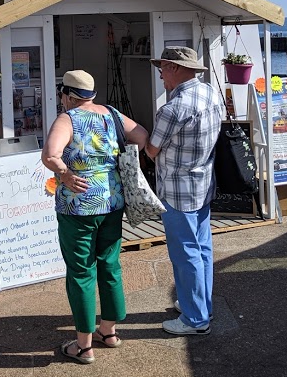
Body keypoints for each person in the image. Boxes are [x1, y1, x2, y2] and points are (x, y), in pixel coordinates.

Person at [41, 70, 148, 364]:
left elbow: (51, 155)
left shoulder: (68, 119)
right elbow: (141, 136)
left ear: (67, 96)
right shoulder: (111, 114)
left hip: (79, 206)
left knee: (81, 271)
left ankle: (84, 346)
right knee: (110, 264)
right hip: (112, 201)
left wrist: (65, 173)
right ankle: (109, 331)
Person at [145, 47, 224, 336]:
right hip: (203, 183)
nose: (161, 75)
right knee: (202, 248)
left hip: (178, 190)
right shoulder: (211, 94)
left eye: (162, 69)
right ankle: (201, 306)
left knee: (185, 253)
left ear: (175, 68)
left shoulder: (172, 108)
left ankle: (194, 319)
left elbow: (152, 149)